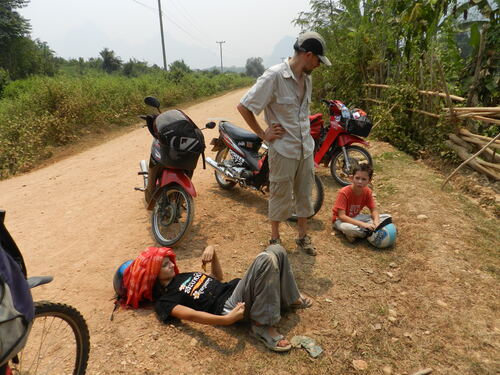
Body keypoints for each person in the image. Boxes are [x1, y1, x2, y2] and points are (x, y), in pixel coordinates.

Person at [236, 31, 331, 256]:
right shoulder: (274, 76)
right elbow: (244, 106)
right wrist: (262, 133)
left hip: (304, 149)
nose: (319, 65)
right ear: (308, 55)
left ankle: (302, 237)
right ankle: (275, 239)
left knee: (304, 193)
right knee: (279, 192)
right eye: (318, 60)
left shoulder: (307, 78)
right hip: (283, 150)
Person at [121, 245, 313, 352]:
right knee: (265, 260)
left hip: (234, 289)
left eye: (169, 261)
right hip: (229, 305)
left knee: (276, 249)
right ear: (154, 275)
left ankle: (290, 297)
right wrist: (226, 320)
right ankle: (262, 325)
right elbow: (192, 315)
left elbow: (216, 279)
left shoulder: (181, 276)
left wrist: (214, 253)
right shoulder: (165, 301)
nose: (171, 265)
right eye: (164, 265)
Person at [332, 164, 391, 243]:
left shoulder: (367, 192)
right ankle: (367, 233)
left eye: (364, 179)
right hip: (341, 220)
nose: (360, 182)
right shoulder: (344, 192)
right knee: (348, 228)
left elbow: (374, 210)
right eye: (357, 178)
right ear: (352, 178)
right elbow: (342, 216)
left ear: (369, 180)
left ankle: (364, 232)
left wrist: (376, 223)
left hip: (356, 217)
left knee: (387, 217)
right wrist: (363, 224)